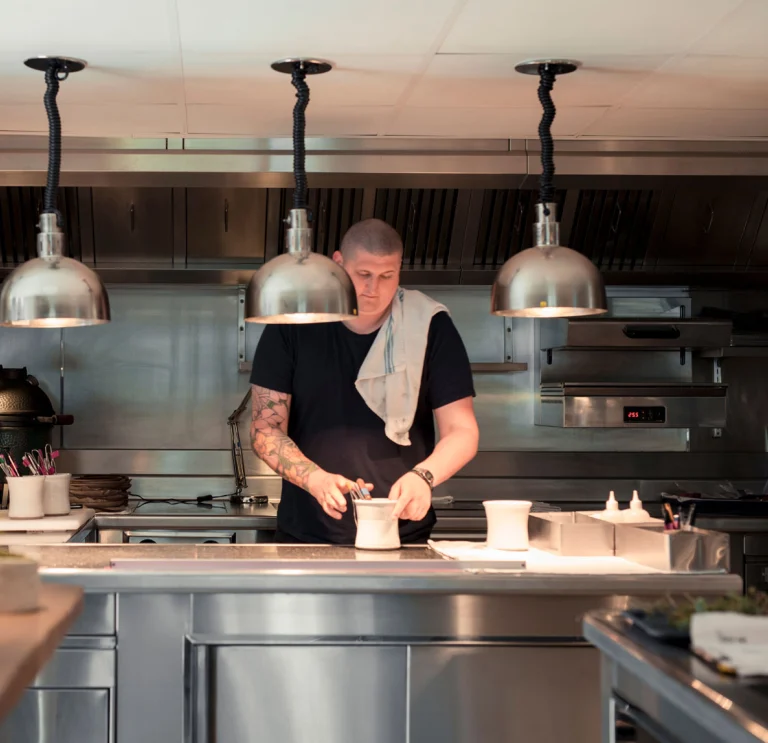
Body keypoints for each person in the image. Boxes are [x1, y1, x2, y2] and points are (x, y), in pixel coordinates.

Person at [249, 218, 479, 544]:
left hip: (404, 537)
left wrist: (424, 477)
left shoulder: (429, 325)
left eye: (387, 276)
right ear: (339, 263)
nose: (374, 288)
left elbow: (462, 430)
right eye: (364, 274)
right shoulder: (294, 322)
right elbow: (264, 429)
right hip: (306, 537)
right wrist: (314, 478)